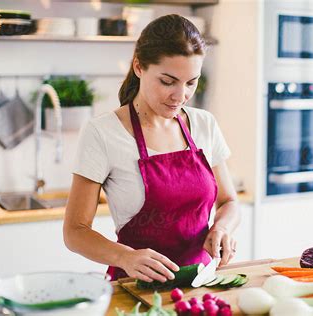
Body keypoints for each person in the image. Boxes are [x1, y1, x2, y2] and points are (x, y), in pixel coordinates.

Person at [63, 14, 240, 283]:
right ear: (139, 66)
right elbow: (75, 231)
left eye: (191, 82)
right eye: (168, 81)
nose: (180, 96)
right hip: (134, 286)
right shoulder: (103, 133)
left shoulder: (204, 124)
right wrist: (124, 257)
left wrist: (222, 227)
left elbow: (229, 201)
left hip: (201, 281)